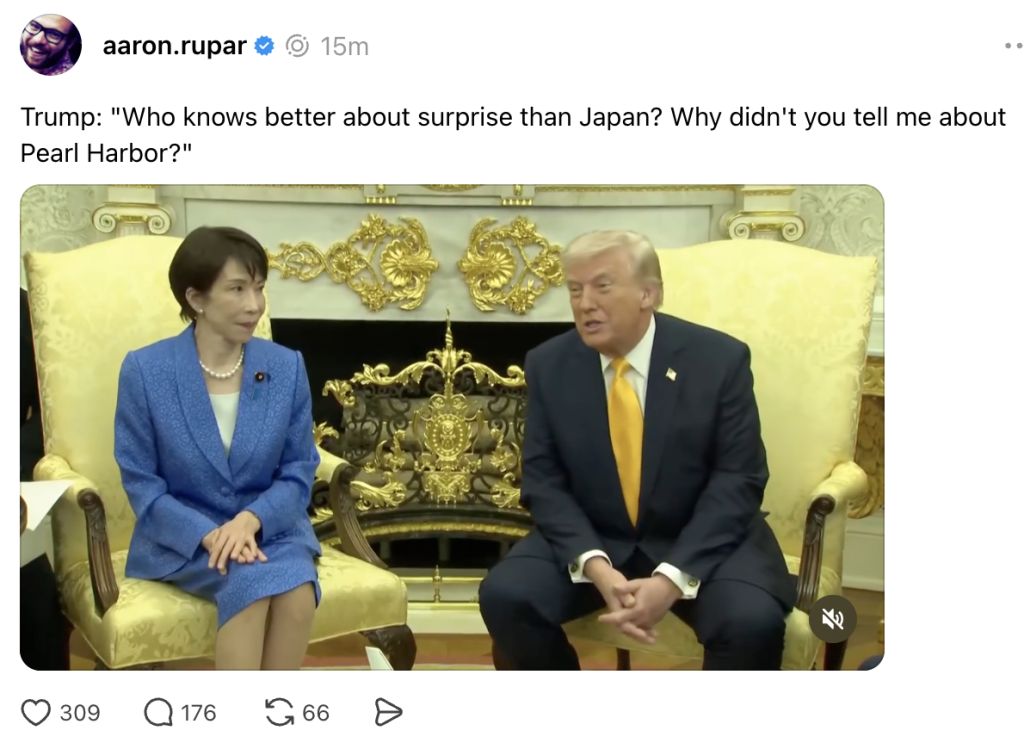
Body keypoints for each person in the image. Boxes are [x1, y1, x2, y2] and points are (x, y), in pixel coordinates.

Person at [479, 229, 795, 669]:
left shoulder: (718, 360)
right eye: (575, 289)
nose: (585, 303)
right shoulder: (549, 364)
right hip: (598, 537)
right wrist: (596, 567)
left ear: (649, 294)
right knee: (506, 595)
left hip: (701, 537)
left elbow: (739, 479)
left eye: (602, 286)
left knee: (750, 622)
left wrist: (671, 579)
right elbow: (544, 481)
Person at [114, 226, 321, 670]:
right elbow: (142, 484)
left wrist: (251, 520)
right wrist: (211, 535)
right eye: (238, 289)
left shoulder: (286, 366)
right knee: (251, 588)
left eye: (259, 288)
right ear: (196, 299)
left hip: (270, 530)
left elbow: (299, 468)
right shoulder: (146, 371)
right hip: (185, 539)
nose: (254, 305)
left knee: (299, 596)